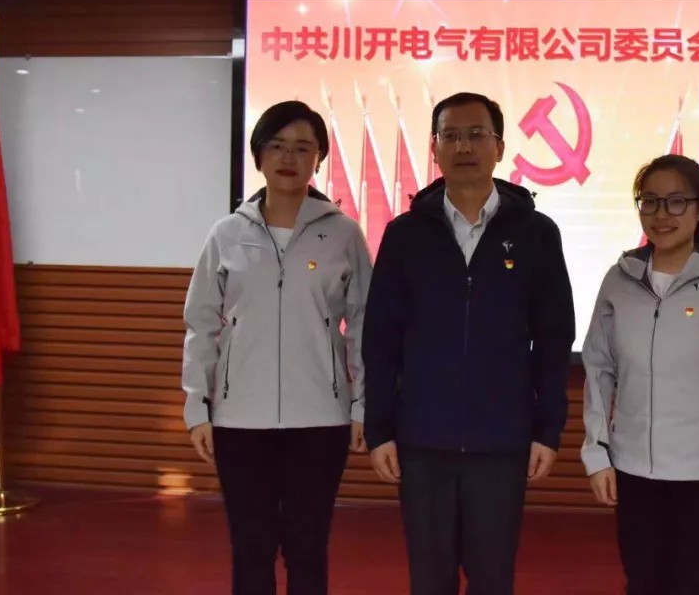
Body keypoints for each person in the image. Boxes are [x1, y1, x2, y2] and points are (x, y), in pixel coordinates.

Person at [362, 91, 576, 595]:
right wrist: (379, 429)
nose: (463, 146)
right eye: (451, 135)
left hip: (501, 441)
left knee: (493, 578)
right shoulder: (405, 235)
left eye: (476, 134)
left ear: (499, 147)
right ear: (434, 147)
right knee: (429, 580)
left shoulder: (536, 234)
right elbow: (380, 339)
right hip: (422, 440)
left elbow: (553, 339)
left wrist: (547, 429)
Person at [181, 100, 372, 595]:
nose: (289, 158)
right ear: (259, 155)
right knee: (251, 549)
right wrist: (197, 406)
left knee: (308, 550)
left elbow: (364, 325)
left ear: (319, 159)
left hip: (321, 421)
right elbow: (201, 323)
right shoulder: (227, 234)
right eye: (277, 146)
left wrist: (362, 405)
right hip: (239, 422)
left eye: (303, 148)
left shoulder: (343, 233)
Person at [580, 154, 699, 595]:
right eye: (649, 201)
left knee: (691, 584)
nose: (661, 214)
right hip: (631, 468)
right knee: (642, 582)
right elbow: (599, 368)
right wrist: (598, 452)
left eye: (676, 201)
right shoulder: (620, 279)